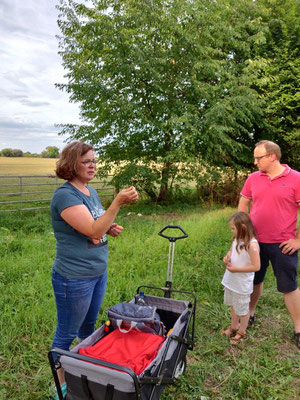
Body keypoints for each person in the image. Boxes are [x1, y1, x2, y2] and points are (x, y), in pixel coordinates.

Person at [50, 141, 138, 396]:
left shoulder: (89, 191)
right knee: (66, 334)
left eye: (94, 161)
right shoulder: (65, 195)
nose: (93, 165)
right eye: (86, 161)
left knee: (87, 328)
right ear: (71, 164)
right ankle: (61, 387)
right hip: (74, 277)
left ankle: (83, 374)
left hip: (97, 272)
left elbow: (96, 222)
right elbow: (91, 230)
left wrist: (109, 227)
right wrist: (118, 202)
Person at [238, 140, 300, 349]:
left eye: (258, 158)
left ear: (272, 156)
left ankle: (298, 329)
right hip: (255, 242)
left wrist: (298, 240)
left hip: (283, 243)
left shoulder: (296, 179)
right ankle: (251, 313)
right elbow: (243, 203)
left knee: (289, 287)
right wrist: (243, 233)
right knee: (254, 281)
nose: (255, 162)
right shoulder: (253, 178)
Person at [221, 212, 260, 345]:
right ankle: (234, 326)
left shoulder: (252, 245)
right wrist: (227, 257)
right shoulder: (236, 239)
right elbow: (231, 252)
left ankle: (242, 331)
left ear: (243, 227)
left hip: (242, 283)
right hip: (231, 281)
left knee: (243, 309)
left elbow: (256, 266)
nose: (231, 230)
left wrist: (236, 269)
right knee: (233, 304)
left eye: (233, 228)